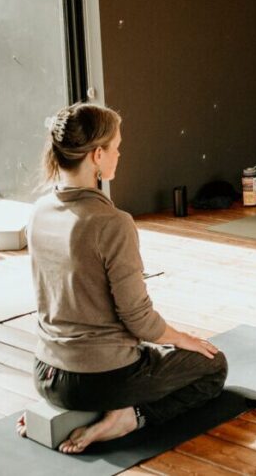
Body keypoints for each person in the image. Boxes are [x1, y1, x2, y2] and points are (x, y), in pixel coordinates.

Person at [17, 103, 227, 454]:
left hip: (45, 374)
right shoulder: (112, 223)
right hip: (101, 381)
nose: (119, 154)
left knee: (144, 353)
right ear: (97, 155)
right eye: (116, 147)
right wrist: (183, 339)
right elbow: (138, 319)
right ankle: (130, 418)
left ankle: (73, 409)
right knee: (213, 366)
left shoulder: (38, 212)